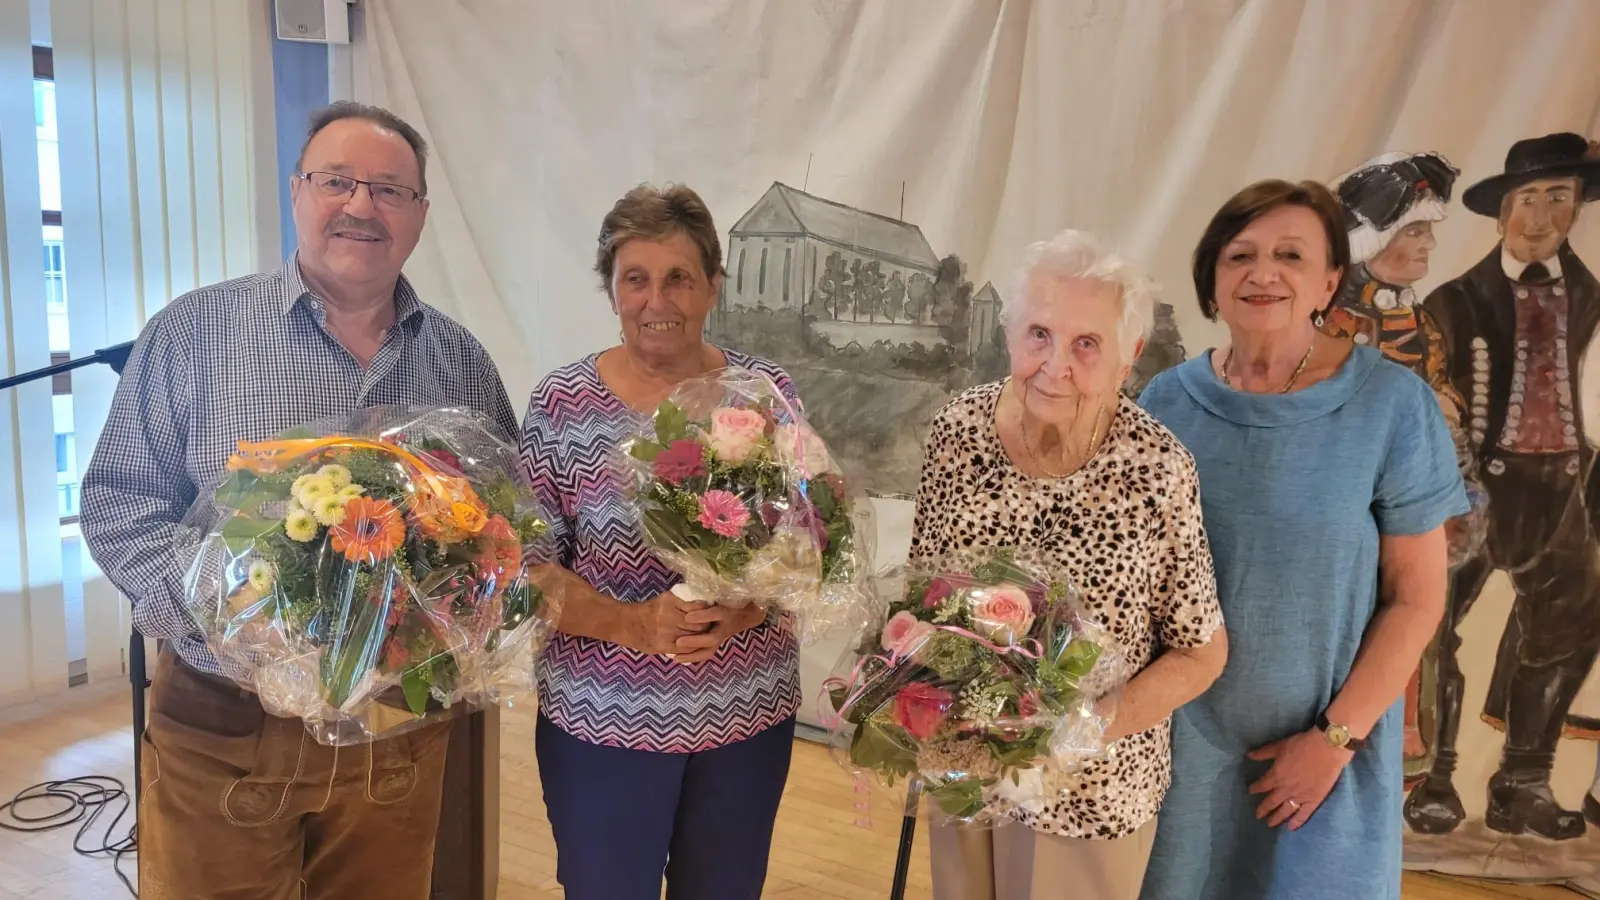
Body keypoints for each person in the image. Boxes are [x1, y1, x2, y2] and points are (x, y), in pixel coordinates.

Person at [79, 102, 518, 899]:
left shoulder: (460, 361)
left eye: (389, 190)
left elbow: (505, 530)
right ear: (297, 192)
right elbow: (119, 503)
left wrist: (463, 612)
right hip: (225, 720)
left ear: (420, 214)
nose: (360, 205)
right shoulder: (193, 334)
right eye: (336, 181)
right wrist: (232, 610)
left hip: (397, 734)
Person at [1138, 180, 1467, 899]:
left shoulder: (1391, 405)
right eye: (1240, 255)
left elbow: (1416, 600)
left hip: (1327, 758)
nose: (1263, 273)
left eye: (1290, 255)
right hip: (1177, 754)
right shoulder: (1163, 402)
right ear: (1211, 280)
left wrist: (1333, 741)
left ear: (1328, 280)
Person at [912, 230, 1229, 900]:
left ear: (1129, 357)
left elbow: (1202, 653)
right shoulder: (958, 431)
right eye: (1039, 334)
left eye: (1087, 344)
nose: (1056, 365)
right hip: (967, 767)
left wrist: (1083, 726)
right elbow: (921, 596)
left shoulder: (1156, 469)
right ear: (1008, 334)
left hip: (1089, 797)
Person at [520, 184, 800, 899]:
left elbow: (809, 542)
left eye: (678, 277)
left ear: (713, 284)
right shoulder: (562, 404)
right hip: (600, 725)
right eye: (635, 279)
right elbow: (528, 568)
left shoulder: (763, 394)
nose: (657, 300)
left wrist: (747, 608)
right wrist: (635, 624)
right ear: (611, 290)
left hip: (746, 716)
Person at [1404, 132, 1600, 839]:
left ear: (1577, 210)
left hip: (1558, 489)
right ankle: (1432, 776)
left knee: (1573, 623)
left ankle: (1524, 781)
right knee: (1430, 626)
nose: (1542, 216)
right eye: (1528, 199)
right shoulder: (1456, 300)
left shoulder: (1587, 290)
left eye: (1560, 197)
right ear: (1502, 213)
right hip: (1467, 487)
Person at [1322, 150, 1486, 784]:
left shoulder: (1419, 319)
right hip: (1348, 528)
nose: (1428, 244)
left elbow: (1441, 406)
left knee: (1423, 635)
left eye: (1427, 230)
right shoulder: (1331, 325)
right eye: (1415, 230)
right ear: (1374, 240)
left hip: (1416, 520)